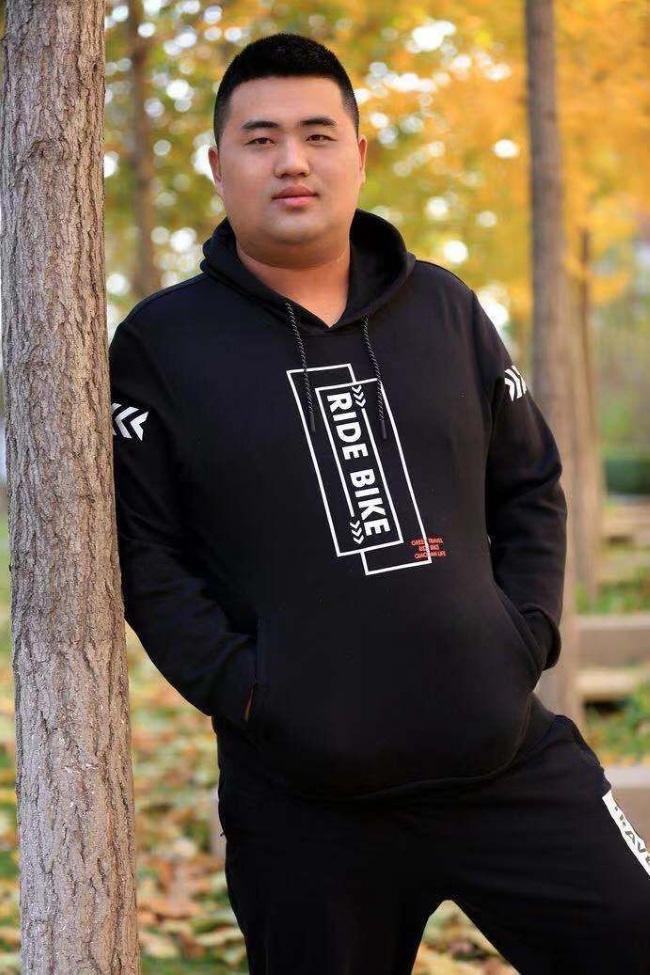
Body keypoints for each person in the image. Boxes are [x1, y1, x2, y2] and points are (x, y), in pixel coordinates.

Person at [109, 30, 650, 975]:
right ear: (218, 165)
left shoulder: (445, 307)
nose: (292, 160)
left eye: (318, 134)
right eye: (261, 138)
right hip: (306, 806)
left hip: (505, 761)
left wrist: (524, 634)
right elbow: (145, 555)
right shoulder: (161, 345)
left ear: (358, 155)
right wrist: (251, 692)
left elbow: (529, 485)